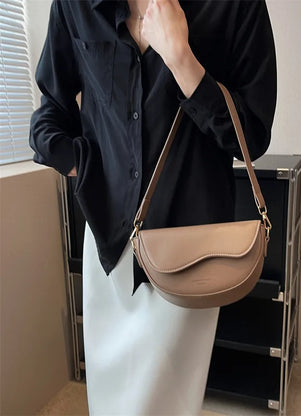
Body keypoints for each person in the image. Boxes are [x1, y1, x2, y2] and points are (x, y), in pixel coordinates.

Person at [30, 0, 277, 414]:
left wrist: (182, 60)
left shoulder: (233, 6)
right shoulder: (75, 5)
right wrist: (80, 164)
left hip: (190, 247)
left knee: (166, 403)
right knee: (109, 399)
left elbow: (251, 137)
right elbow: (51, 111)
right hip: (108, 241)